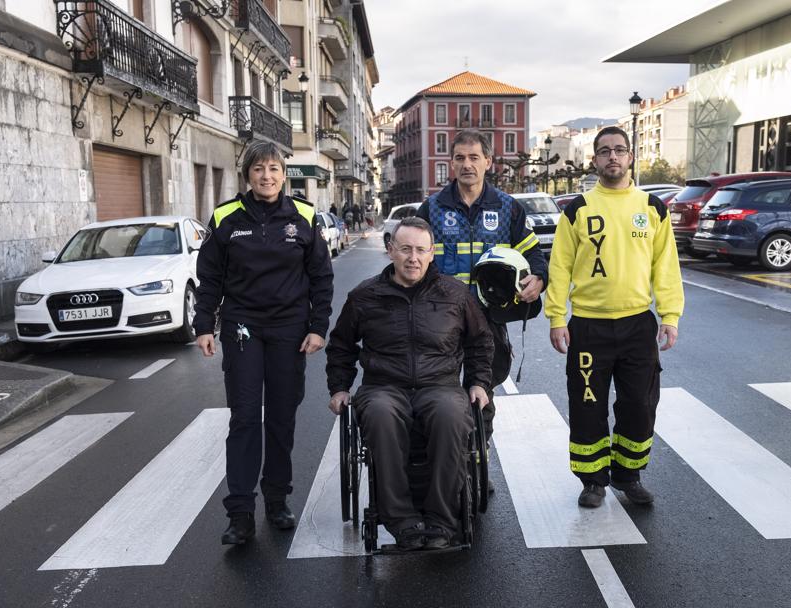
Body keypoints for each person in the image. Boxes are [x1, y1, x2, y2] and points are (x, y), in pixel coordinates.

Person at [193, 141, 334, 545]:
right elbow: (210, 278)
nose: (266, 176)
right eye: (258, 169)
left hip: (290, 330)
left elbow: (321, 277)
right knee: (244, 418)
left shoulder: (304, 216)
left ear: (283, 175)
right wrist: (204, 325)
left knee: (281, 417)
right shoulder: (225, 217)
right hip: (243, 328)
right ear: (247, 175)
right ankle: (240, 513)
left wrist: (318, 326)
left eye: (273, 169)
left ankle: (277, 499)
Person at [326, 217, 493, 551]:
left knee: (451, 415)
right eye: (405, 249)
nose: (412, 258)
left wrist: (478, 383)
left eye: (420, 250)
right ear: (391, 251)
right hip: (383, 386)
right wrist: (340, 388)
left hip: (440, 384)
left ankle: (442, 520)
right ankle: (402, 522)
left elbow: (480, 342)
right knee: (380, 415)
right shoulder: (365, 296)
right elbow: (341, 344)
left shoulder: (455, 294)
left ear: (432, 254)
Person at [545, 125, 684, 509]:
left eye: (619, 150)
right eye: (605, 151)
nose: (613, 157)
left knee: (639, 404)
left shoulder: (652, 208)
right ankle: (593, 481)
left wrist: (670, 315)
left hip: (637, 324)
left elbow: (666, 267)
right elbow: (560, 267)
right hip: (588, 327)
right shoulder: (578, 209)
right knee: (587, 405)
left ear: (630, 157)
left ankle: (628, 475)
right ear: (595, 160)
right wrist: (557, 317)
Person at [415, 129, 547, 448]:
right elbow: (411, 258)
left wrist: (539, 279)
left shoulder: (507, 208)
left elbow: (533, 254)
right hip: (441, 319)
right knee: (442, 393)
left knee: (481, 392)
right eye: (460, 157)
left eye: (474, 157)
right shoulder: (432, 209)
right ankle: (449, 453)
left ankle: (477, 454)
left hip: (488, 318)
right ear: (451, 162)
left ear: (488, 161)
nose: (467, 164)